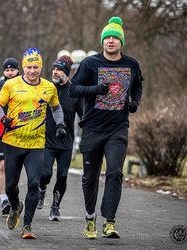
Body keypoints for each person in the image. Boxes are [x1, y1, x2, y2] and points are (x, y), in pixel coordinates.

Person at [69, 16, 143, 239]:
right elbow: (73, 90)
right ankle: (90, 218)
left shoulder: (131, 65)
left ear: (121, 42)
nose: (111, 41)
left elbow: (138, 85)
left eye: (115, 37)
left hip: (117, 129)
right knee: (90, 177)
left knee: (114, 173)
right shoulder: (90, 64)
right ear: (103, 41)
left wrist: (134, 102)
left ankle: (109, 221)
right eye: (107, 37)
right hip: (92, 128)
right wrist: (96, 90)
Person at [0, 48, 65, 239]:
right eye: (29, 67)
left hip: (35, 144)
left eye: (36, 67)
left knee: (34, 183)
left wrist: (60, 124)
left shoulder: (49, 87)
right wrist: (3, 118)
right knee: (10, 186)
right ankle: (15, 206)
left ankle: (27, 225)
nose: (32, 70)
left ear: (41, 67)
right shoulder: (11, 84)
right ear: (23, 67)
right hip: (12, 142)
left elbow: (56, 107)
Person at [37, 55, 83, 221]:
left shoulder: (74, 91)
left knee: (62, 175)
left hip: (66, 141)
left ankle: (55, 207)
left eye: (59, 70)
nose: (55, 72)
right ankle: (42, 190)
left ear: (67, 73)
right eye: (54, 69)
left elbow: (82, 115)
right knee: (45, 173)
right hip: (47, 140)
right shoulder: (47, 88)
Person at [0, 58, 19, 216]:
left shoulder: (25, 84)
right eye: (7, 70)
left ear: (18, 70)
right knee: (2, 165)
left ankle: (12, 194)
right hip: (0, 130)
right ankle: (4, 199)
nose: (10, 72)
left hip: (19, 130)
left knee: (14, 166)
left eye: (12, 70)